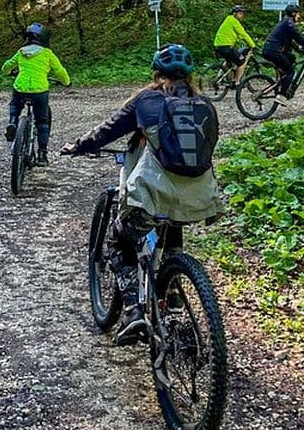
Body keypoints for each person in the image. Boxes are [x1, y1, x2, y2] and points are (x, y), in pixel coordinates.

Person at [60, 44, 221, 345]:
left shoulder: (146, 100)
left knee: (118, 241)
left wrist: (78, 146)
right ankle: (172, 293)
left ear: (157, 75)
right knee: (172, 221)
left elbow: (107, 131)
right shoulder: (205, 105)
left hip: (152, 194)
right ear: (190, 77)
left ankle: (133, 310)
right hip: (200, 199)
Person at [1, 22, 71, 167]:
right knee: (42, 122)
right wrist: (66, 82)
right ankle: (42, 155)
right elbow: (60, 71)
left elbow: (6, 66)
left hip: (20, 88)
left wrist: (8, 72)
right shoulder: (47, 54)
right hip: (39, 91)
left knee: (15, 104)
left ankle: (13, 123)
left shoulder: (21, 52)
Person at [261, 3, 304, 105]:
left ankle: (283, 81)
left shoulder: (286, 22)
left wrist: (301, 49)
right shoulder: (290, 23)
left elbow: (292, 42)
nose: (299, 16)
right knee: (291, 72)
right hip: (274, 51)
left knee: (292, 58)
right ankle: (281, 96)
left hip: (271, 50)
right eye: (298, 14)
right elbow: (299, 37)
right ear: (293, 13)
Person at [213, 4, 256, 83]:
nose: (242, 15)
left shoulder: (228, 19)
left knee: (229, 61)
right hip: (226, 47)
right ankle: (237, 82)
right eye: (240, 13)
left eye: (243, 13)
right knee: (242, 62)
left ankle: (220, 77)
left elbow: (233, 34)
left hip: (218, 46)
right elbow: (243, 34)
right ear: (234, 13)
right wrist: (253, 45)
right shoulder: (234, 21)